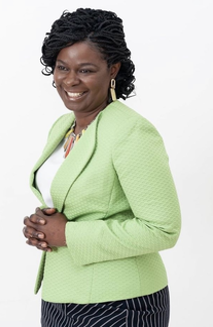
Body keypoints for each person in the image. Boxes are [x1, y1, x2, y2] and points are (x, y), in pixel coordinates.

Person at [23, 8, 181, 327]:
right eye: (61, 67)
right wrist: (42, 226)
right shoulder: (63, 127)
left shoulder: (131, 132)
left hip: (121, 303)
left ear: (113, 69)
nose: (70, 80)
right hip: (60, 297)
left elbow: (164, 228)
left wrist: (67, 233)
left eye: (85, 70)